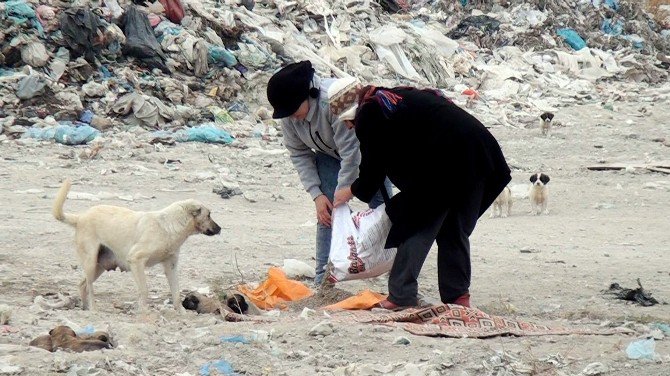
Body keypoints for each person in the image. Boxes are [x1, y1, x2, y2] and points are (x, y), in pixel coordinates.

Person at [333, 85, 511, 309]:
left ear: (351, 114)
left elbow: (372, 171)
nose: (349, 128)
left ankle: (401, 295)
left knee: (415, 223)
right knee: (453, 228)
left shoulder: (369, 113)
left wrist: (348, 192)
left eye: (347, 122)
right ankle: (457, 297)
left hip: (448, 161)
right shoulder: (394, 98)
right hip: (481, 154)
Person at [266, 61, 391, 285]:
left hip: (368, 150)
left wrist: (345, 190)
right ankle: (323, 279)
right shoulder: (289, 116)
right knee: (327, 212)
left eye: (294, 111)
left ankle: (398, 270)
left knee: (385, 208)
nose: (293, 118)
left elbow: (352, 152)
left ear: (309, 96)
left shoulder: (332, 103)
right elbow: (299, 154)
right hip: (328, 154)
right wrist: (317, 195)